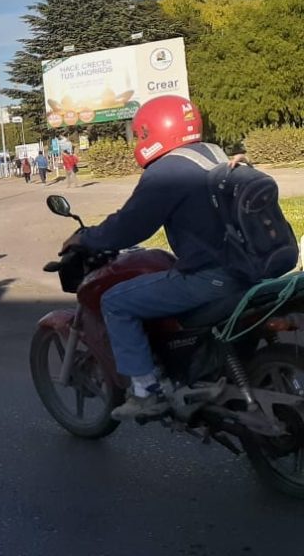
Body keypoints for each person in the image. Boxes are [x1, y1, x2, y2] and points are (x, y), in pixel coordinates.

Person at [61, 95, 249, 420]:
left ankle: (147, 392)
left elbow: (129, 226)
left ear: (152, 131)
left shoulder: (168, 171)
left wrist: (86, 237)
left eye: (140, 133)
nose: (138, 140)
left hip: (214, 277)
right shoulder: (214, 154)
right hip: (255, 268)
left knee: (116, 301)